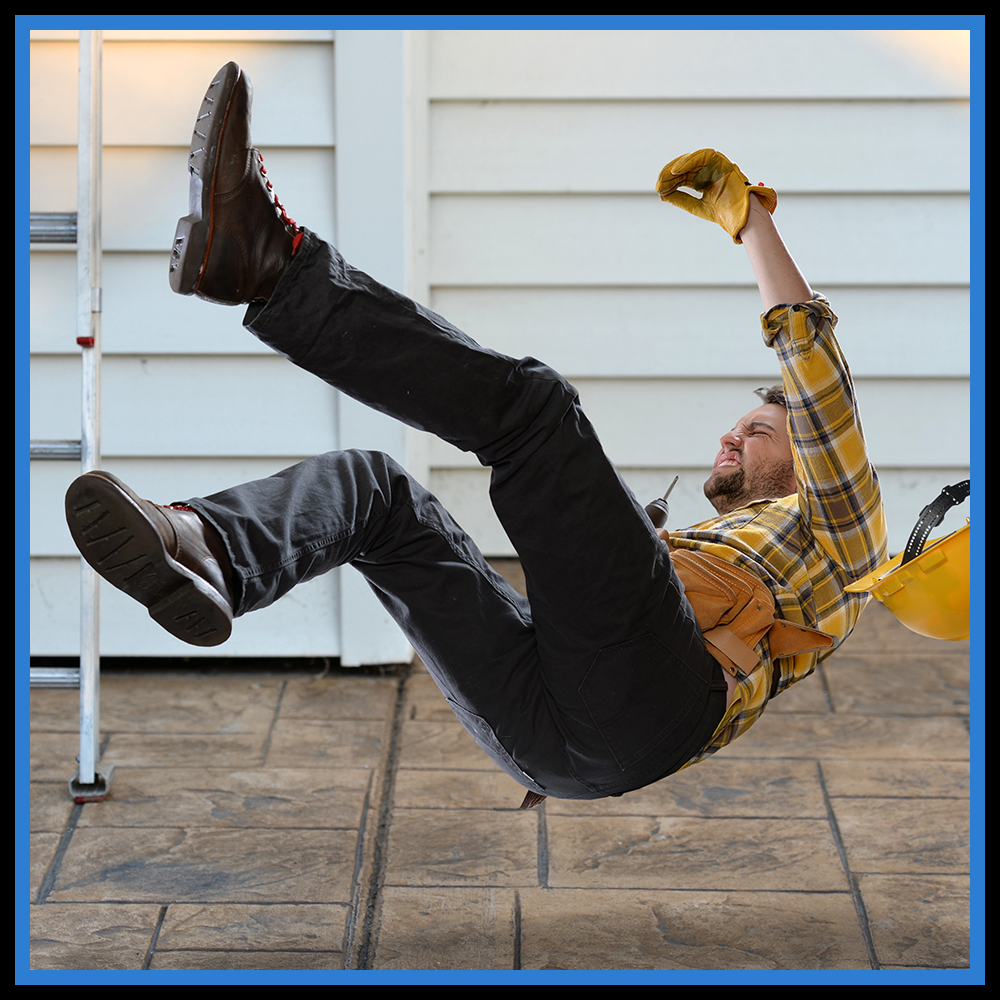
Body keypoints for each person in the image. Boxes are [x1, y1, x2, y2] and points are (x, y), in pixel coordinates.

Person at [65, 63, 887, 807]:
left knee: (538, 415)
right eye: (738, 426)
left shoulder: (845, 535)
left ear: (809, 458)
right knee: (374, 493)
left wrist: (752, 224)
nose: (731, 439)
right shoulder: (719, 544)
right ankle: (209, 550)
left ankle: (268, 265)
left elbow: (819, 383)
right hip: (557, 747)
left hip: (655, 704)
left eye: (758, 429)